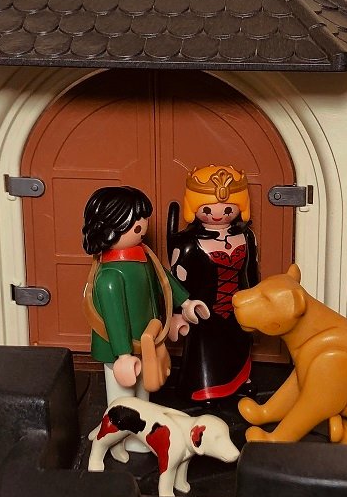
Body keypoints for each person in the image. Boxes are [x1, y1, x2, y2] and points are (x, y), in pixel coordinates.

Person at [82, 186, 208, 409]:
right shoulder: (109, 277)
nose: (143, 227)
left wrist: (185, 303)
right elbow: (114, 319)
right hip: (120, 348)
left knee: (144, 389)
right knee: (122, 398)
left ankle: (143, 425)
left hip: (148, 339)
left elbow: (164, 280)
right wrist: (122, 354)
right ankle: (119, 427)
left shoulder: (145, 257)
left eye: (143, 221)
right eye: (135, 224)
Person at [168, 166, 259, 403]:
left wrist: (257, 300)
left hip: (239, 306)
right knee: (205, 351)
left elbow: (251, 271)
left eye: (228, 209)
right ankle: (204, 388)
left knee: (239, 343)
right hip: (203, 310)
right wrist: (177, 313)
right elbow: (176, 281)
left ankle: (241, 379)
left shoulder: (246, 237)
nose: (218, 215)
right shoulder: (188, 243)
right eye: (207, 209)